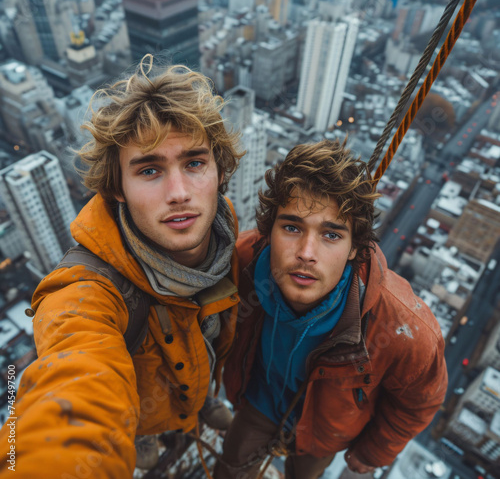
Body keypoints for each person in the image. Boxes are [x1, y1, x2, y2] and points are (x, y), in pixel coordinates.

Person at [0, 56, 243, 477]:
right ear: (117, 190)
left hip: (197, 368)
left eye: (194, 163)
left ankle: (203, 401)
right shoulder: (86, 291)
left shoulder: (224, 224)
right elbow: (74, 387)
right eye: (150, 170)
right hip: (141, 405)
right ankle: (144, 434)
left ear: (219, 171)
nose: (180, 192)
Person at [215, 139, 448, 479]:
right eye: (292, 227)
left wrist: (373, 452)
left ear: (356, 248)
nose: (307, 253)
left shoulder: (404, 330)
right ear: (269, 232)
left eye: (331, 235)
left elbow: (418, 401)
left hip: (324, 434)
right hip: (258, 401)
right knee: (231, 469)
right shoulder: (241, 264)